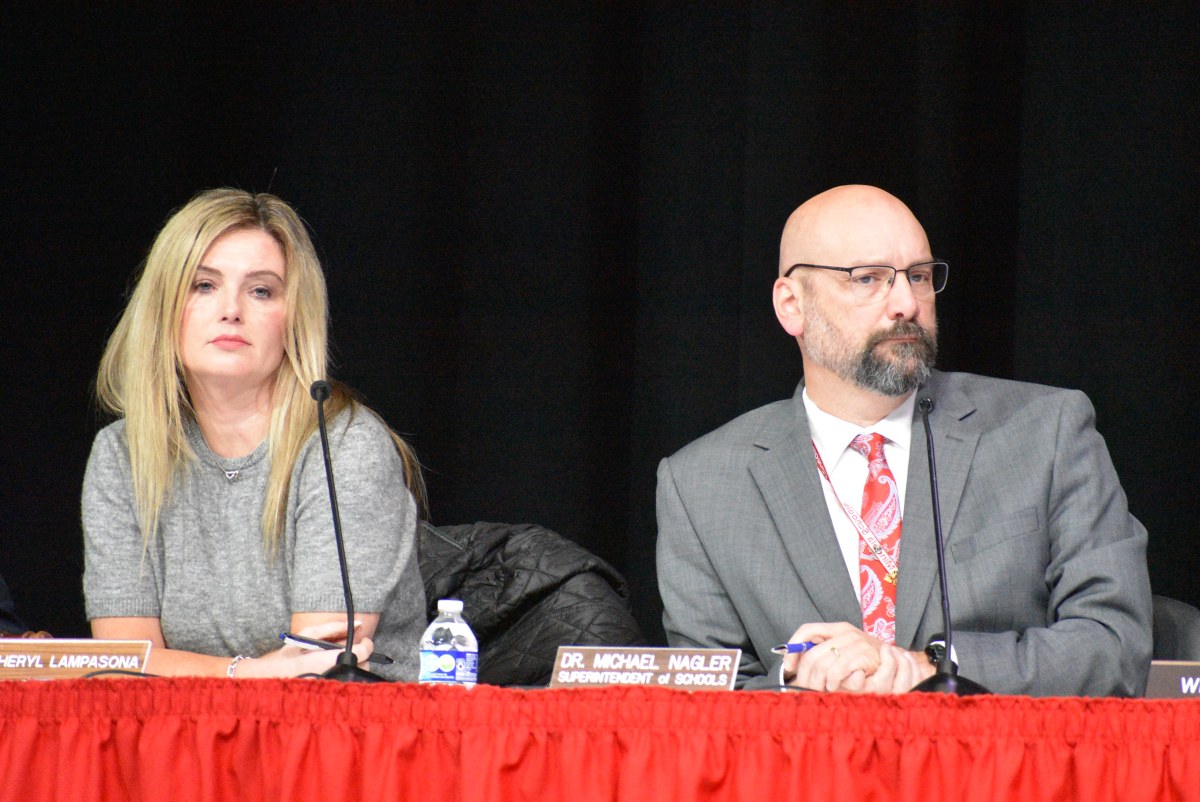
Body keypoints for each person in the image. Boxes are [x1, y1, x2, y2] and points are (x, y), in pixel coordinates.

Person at [656, 184, 1152, 696]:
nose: (906, 304)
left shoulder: (1046, 432)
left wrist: (929, 668)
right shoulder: (701, 485)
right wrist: (794, 681)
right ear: (791, 305)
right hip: (813, 774)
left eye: (918, 276)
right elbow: (708, 699)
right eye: (867, 278)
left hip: (998, 770)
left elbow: (1113, 647)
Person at [83, 188, 426, 680]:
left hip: (344, 737)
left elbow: (315, 668)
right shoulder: (121, 455)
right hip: (182, 740)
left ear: (293, 318)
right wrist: (247, 672)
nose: (231, 310)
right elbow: (118, 667)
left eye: (261, 290)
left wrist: (189, 670)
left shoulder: (345, 447)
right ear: (162, 306)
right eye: (203, 285)